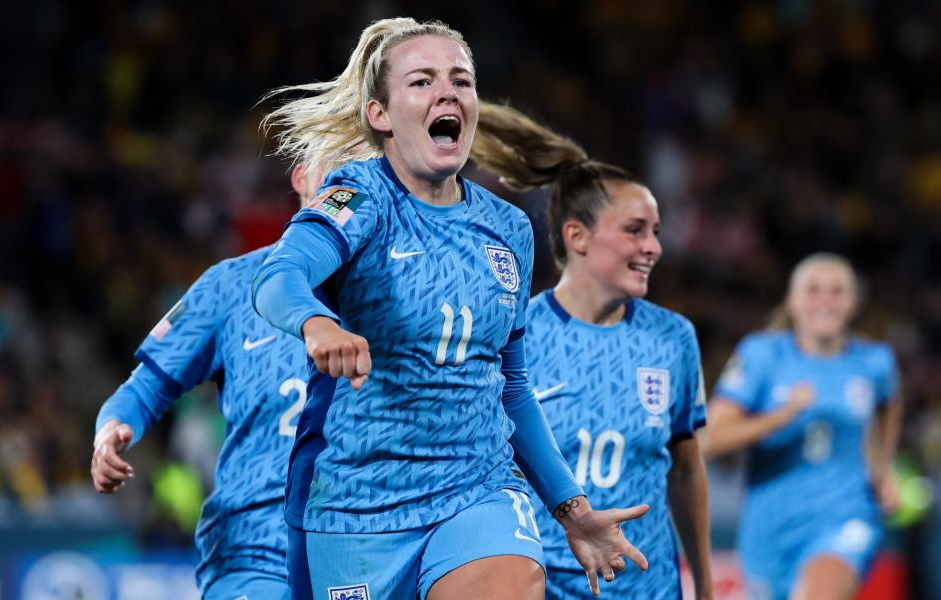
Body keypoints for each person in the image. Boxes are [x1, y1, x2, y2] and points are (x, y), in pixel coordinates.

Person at [253, 17, 649, 600]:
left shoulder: (508, 228)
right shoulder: (359, 197)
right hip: (354, 505)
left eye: (461, 81)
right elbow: (278, 275)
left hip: (477, 492)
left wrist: (572, 509)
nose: (448, 93)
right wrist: (316, 322)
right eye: (422, 81)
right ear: (380, 115)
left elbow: (511, 388)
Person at [471, 103, 713, 599]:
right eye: (635, 230)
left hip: (651, 588)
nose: (654, 247)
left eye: (656, 232)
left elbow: (687, 471)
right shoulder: (517, 335)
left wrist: (705, 587)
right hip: (548, 586)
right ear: (576, 236)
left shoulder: (674, 339)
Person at [90, 161, 360, 600]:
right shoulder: (231, 286)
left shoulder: (399, 289)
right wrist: (110, 431)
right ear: (300, 176)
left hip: (363, 548)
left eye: (360, 167)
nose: (346, 184)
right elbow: (143, 389)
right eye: (335, 164)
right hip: (254, 549)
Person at [702, 253, 902, 600]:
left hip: (845, 516)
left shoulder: (874, 361)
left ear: (853, 302)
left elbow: (889, 403)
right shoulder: (762, 355)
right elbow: (711, 441)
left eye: (837, 291)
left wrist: (882, 470)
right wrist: (781, 415)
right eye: (813, 290)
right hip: (770, 529)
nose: (825, 300)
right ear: (791, 301)